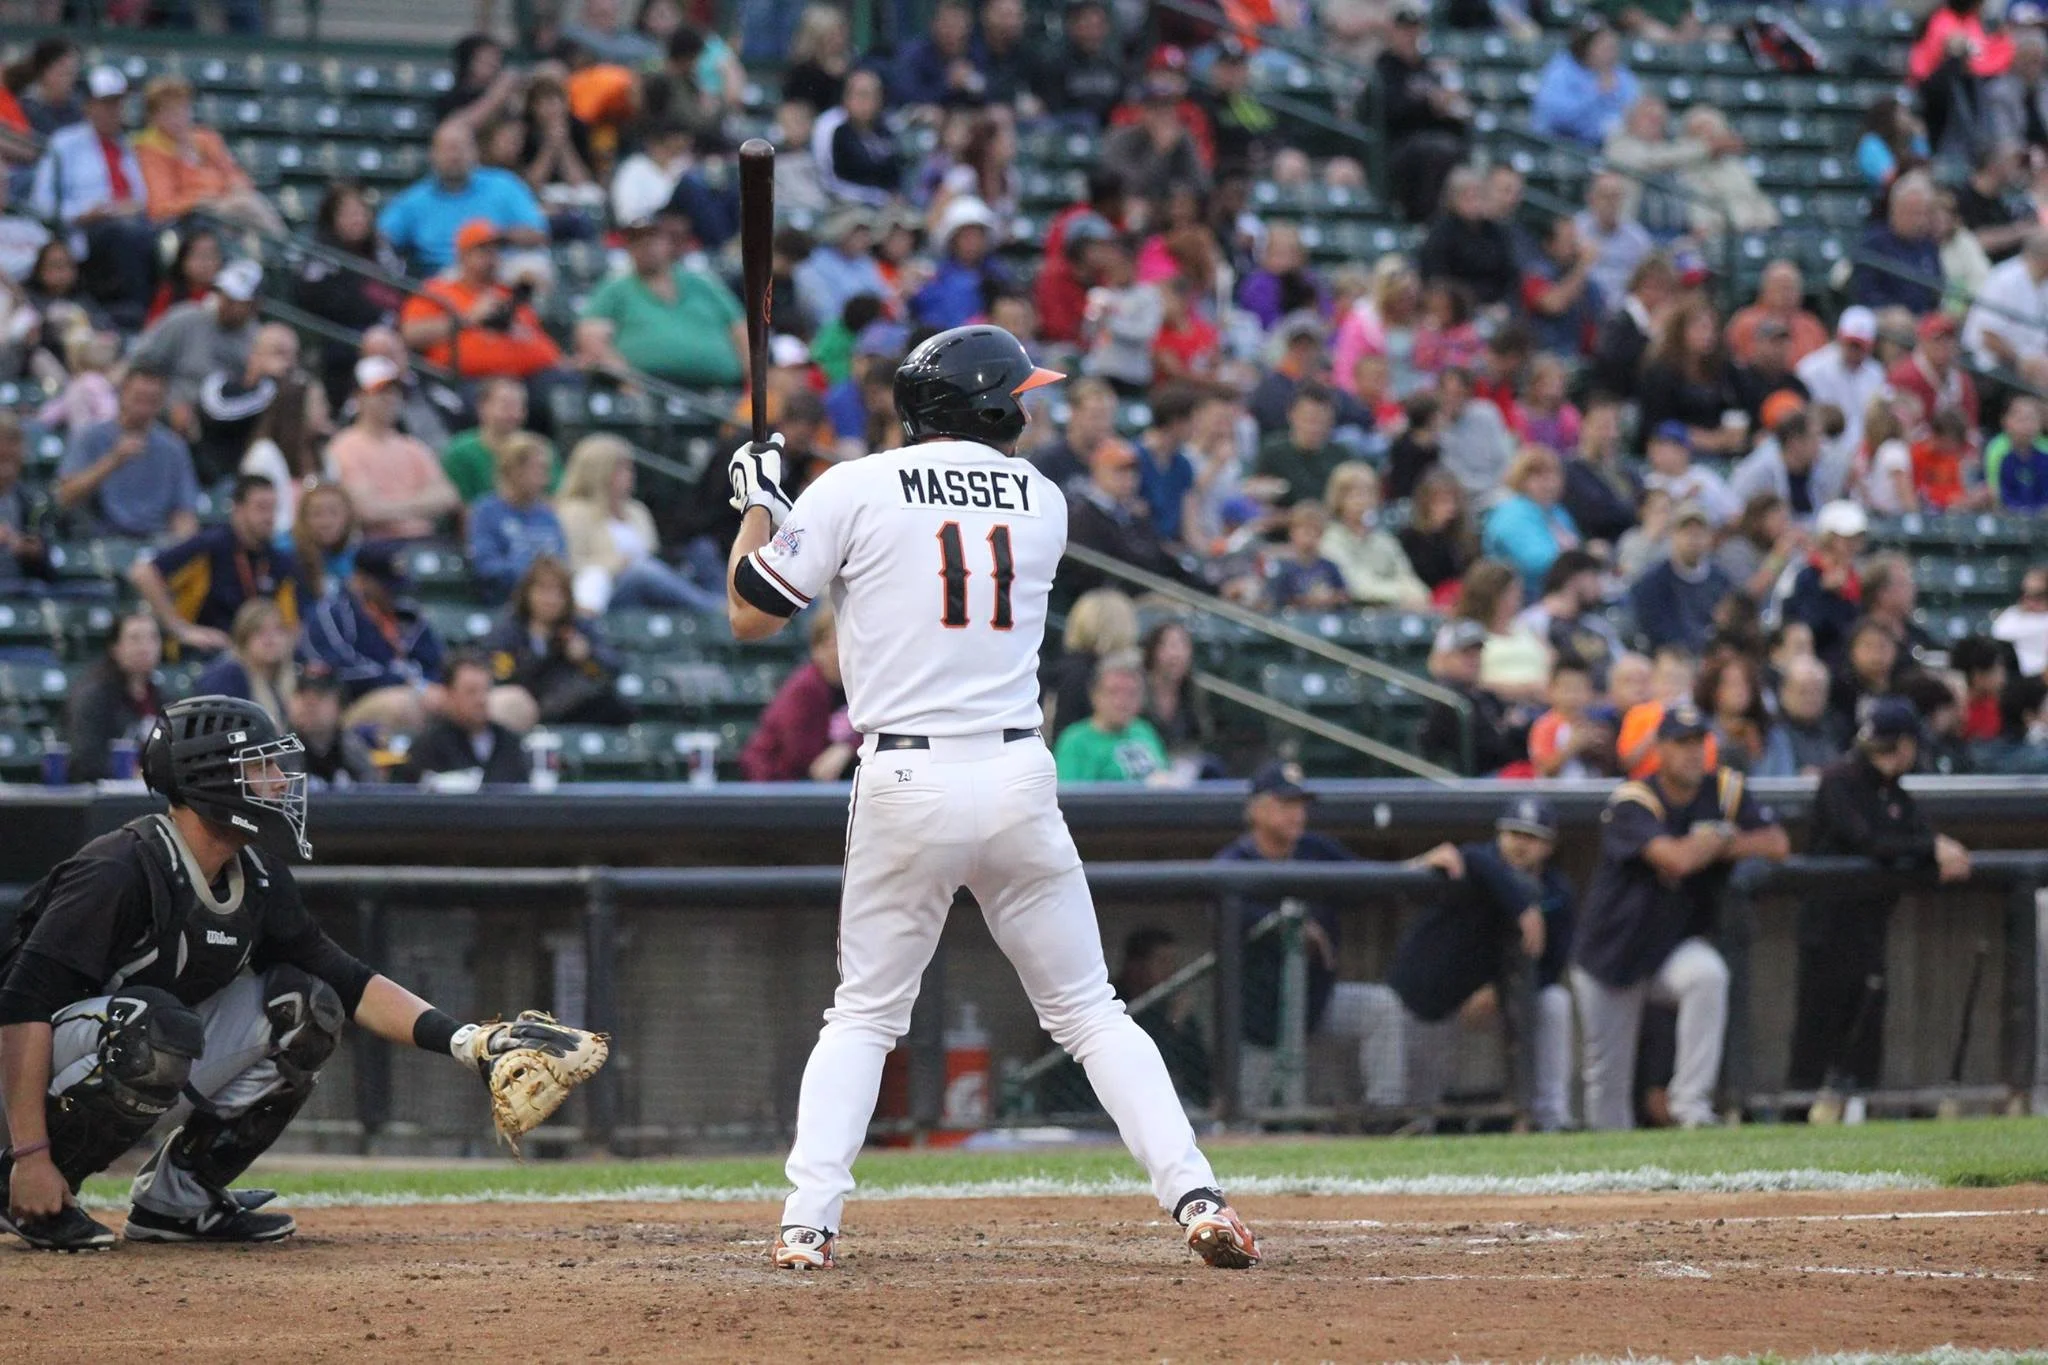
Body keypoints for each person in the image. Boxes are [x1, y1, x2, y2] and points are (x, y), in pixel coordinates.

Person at [724, 323, 1258, 1269]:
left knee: (863, 1016)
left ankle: (809, 1222)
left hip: (906, 776)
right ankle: (1196, 1193)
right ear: (986, 404)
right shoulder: (1043, 500)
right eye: (1018, 392)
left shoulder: (852, 483)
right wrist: (791, 500)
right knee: (1093, 1012)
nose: (1029, 404)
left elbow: (749, 613)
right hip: (1017, 774)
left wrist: (761, 506)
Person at [0, 694, 605, 1248]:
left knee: (305, 1006)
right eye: (260, 767)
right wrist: (30, 1152)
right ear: (210, 776)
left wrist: (470, 1041)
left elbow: (343, 976)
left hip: (105, 1048)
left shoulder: (255, 873)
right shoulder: (118, 867)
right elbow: (22, 1004)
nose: (279, 781)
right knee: (152, 1031)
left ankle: (177, 1203)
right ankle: (31, 1196)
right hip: (26, 1078)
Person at [1572, 705, 1789, 1130]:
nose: (1692, 753)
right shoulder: (1635, 799)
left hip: (1669, 947)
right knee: (1608, 1080)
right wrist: (1717, 838)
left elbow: (1776, 842)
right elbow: (1675, 861)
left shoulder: (1724, 788)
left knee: (1707, 975)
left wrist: (1718, 840)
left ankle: (1691, 1107)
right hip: (1612, 952)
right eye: (1681, 744)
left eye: (1698, 743)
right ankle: (1605, 1165)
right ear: (1660, 750)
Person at [1791, 698, 1972, 1098]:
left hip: (1869, 929)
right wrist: (1930, 847)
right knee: (1818, 1027)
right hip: (1828, 928)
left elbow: (1915, 836)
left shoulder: (1893, 791)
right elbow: (1868, 841)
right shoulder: (1840, 780)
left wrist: (1938, 847)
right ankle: (1797, 1112)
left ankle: (1860, 1107)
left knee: (1866, 1023)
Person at [1394, 798, 1577, 1131]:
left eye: (1532, 836)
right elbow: (1472, 858)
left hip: (1500, 998)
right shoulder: (1475, 866)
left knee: (1555, 1002)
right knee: (1419, 1095)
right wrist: (1523, 906)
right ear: (1499, 835)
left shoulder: (1556, 890)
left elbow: (1553, 963)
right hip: (1437, 997)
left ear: (1549, 846)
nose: (1521, 844)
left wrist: (1501, 990)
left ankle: (1551, 1117)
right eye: (1514, 833)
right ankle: (1415, 1124)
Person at [27, 66, 157, 328]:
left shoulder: (128, 146)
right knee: (122, 234)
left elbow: (143, 197)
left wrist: (134, 207)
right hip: (83, 233)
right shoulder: (64, 144)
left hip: (131, 227)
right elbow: (41, 204)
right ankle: (130, 315)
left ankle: (151, 314)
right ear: (88, 106)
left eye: (119, 103)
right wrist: (84, 213)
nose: (115, 110)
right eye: (107, 103)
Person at [127, 474, 301, 657]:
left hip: (255, 653)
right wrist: (181, 629)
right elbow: (143, 573)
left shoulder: (279, 561)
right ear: (238, 509)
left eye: (273, 509)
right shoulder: (210, 546)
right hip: (205, 649)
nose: (269, 517)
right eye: (261, 508)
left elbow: (290, 624)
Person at [295, 542, 447, 735]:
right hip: (352, 705)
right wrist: (410, 683)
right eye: (385, 586)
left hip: (416, 693)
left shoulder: (406, 611)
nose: (392, 592)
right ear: (360, 580)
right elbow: (342, 671)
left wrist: (434, 688)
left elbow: (433, 660)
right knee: (402, 703)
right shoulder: (331, 614)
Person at [579, 216, 746, 386]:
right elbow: (592, 338)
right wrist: (626, 381)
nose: (646, 247)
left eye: (653, 239)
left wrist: (754, 384)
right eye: (637, 241)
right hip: (650, 390)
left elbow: (740, 329)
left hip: (722, 390)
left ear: (668, 244)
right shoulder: (615, 288)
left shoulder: (702, 284)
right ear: (629, 248)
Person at [399, 220, 565, 388]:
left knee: (564, 384)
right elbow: (410, 335)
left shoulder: (507, 293)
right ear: (463, 256)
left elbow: (536, 338)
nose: (491, 257)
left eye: (495, 250)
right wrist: (468, 319)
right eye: (483, 250)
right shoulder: (439, 290)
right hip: (466, 383)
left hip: (524, 379)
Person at [377, 122, 548, 274]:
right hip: (443, 282)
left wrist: (495, 237)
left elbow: (538, 234)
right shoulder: (414, 201)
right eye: (447, 149)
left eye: (460, 147)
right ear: (432, 155)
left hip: (499, 274)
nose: (454, 156)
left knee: (533, 266)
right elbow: (381, 236)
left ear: (475, 152)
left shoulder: (504, 185)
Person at [482, 554, 627, 731]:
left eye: (559, 593)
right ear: (527, 593)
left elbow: (614, 665)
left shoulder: (578, 627)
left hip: (571, 709)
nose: (550, 600)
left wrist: (587, 656)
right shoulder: (508, 629)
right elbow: (496, 672)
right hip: (523, 708)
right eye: (543, 590)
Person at [54, 366, 199, 542]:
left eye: (152, 401)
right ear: (122, 394)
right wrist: (114, 460)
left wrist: (183, 545)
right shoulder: (90, 436)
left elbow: (184, 512)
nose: (144, 408)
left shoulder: (173, 447)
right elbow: (65, 496)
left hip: (156, 539)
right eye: (138, 399)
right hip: (100, 538)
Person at [326, 357, 461, 543]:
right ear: (359, 397)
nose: (390, 398)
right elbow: (366, 510)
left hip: (424, 541)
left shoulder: (412, 445)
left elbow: (448, 496)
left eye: (395, 392)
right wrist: (422, 505)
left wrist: (391, 507)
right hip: (375, 546)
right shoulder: (344, 446)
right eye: (380, 391)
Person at [131, 76, 282, 234]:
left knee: (246, 200)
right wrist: (199, 200)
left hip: (227, 205)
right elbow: (160, 208)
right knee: (244, 205)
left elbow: (233, 173)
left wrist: (237, 185)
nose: (179, 117)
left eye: (183, 108)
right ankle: (289, 253)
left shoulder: (205, 138)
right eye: (170, 111)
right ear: (154, 117)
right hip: (188, 219)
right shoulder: (150, 151)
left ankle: (285, 250)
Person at [128, 258, 265, 431]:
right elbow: (142, 362)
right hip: (161, 415)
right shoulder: (186, 318)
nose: (226, 304)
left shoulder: (259, 342)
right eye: (224, 294)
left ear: (255, 306)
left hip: (220, 427)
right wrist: (166, 403)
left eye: (236, 300)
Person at [738, 608, 852, 782]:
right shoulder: (806, 688)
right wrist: (848, 748)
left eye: (850, 644)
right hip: (773, 785)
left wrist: (847, 748)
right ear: (817, 650)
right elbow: (809, 764)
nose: (843, 653)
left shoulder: (853, 685)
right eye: (835, 645)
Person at [62, 610, 164, 785]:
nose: (145, 647)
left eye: (152, 638)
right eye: (135, 639)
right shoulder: (93, 696)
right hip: (103, 798)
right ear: (115, 648)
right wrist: (137, 774)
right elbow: (87, 758)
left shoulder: (161, 696)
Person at [1638, 297, 1745, 460]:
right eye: (1701, 328)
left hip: (1720, 447)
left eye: (1711, 329)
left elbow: (1736, 406)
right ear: (1680, 331)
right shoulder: (1660, 371)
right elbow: (1656, 424)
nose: (1707, 335)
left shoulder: (1722, 367)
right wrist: (1708, 440)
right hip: (1674, 450)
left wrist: (1733, 432)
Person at [468, 433, 568, 603]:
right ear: (514, 470)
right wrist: (531, 574)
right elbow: (486, 567)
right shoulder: (486, 512)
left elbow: (562, 562)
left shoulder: (547, 515)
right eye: (538, 470)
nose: (546, 480)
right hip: (506, 603)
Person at [1627, 502, 1734, 653]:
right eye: (1686, 532)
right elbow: (1657, 633)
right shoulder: (1651, 584)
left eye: (1699, 532)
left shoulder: (1722, 581)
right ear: (1672, 535)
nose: (1693, 539)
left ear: (1709, 537)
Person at [1421, 618, 1522, 775]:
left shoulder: (1485, 695)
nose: (1474, 659)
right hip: (1472, 783)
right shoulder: (1444, 698)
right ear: (1445, 657)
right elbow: (1482, 749)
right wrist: (1509, 730)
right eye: (1465, 653)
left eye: (1478, 652)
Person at [408, 654, 529, 785]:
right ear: (449, 694)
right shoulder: (427, 748)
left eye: (486, 690)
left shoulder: (509, 743)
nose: (481, 700)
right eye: (471, 692)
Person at [1052, 650, 1171, 783]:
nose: (1122, 701)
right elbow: (1072, 797)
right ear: (1095, 695)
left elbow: (1166, 773)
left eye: (1131, 693)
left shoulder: (1144, 730)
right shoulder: (1075, 742)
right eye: (1113, 692)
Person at [1321, 463, 1429, 609]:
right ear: (1339, 499)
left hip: (1393, 611)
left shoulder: (1384, 540)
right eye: (1355, 494)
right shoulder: (1329, 540)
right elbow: (1356, 587)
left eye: (1369, 493)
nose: (1363, 501)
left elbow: (1409, 578)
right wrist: (1401, 594)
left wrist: (1416, 594)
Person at [1483, 447, 1581, 596]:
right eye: (1538, 476)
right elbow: (1536, 564)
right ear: (1520, 480)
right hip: (1520, 599)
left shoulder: (1556, 512)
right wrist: (1582, 561)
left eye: (1553, 475)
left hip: (1559, 595)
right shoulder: (1511, 514)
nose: (1549, 483)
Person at [1418, 168, 1519, 308]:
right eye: (1467, 196)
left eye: (1478, 195)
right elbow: (1436, 280)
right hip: (1455, 309)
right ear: (1453, 199)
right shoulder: (1440, 234)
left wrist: (1503, 305)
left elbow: (1509, 276)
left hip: (1495, 308)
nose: (1474, 202)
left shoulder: (1495, 232)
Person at [1782, 500, 1870, 662]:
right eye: (1844, 538)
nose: (1851, 545)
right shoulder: (1803, 574)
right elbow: (1799, 625)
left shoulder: (1858, 577)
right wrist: (1823, 591)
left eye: (1856, 538)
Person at [1532, 21, 1639, 148]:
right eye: (1605, 48)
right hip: (1561, 146)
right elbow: (1556, 118)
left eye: (1613, 48)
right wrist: (1594, 94)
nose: (1611, 53)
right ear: (1586, 48)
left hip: (1607, 145)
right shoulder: (1560, 72)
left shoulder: (1620, 74)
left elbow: (1633, 107)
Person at [194, 600, 297, 732]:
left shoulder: (292, 677)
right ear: (243, 639)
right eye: (259, 632)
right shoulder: (227, 678)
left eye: (278, 630)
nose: (271, 639)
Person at [1796, 308, 1889, 454]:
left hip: (1864, 451)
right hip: (1822, 449)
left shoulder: (1875, 372)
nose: (1854, 350)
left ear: (1871, 346)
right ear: (1839, 337)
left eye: (1859, 346)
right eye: (1850, 344)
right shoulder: (1811, 369)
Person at [1962, 232, 2048, 389]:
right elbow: (1988, 336)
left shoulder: (2044, 284)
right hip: (1990, 363)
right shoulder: (2005, 279)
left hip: (2033, 363)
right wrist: (2021, 360)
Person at [441, 378, 546, 506]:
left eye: (519, 406)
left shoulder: (539, 448)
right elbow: (462, 507)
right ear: (482, 407)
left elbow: (556, 496)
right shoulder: (460, 452)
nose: (513, 413)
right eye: (506, 406)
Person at [1850, 175, 1944, 316]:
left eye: (1925, 214)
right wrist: (1891, 311)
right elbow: (1865, 294)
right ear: (1895, 210)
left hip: (1924, 320)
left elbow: (1936, 290)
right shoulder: (1873, 244)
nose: (1921, 221)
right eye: (1915, 213)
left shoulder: (1928, 245)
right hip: (1886, 319)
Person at [812, 69, 901, 207]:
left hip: (883, 205)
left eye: (875, 95)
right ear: (846, 96)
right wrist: (876, 197)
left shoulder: (886, 127)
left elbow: (894, 175)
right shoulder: (830, 125)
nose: (869, 101)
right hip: (841, 204)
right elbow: (827, 180)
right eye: (862, 95)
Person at [1726, 261, 1828, 367]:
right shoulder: (1744, 323)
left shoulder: (1811, 326)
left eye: (1791, 288)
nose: (1786, 294)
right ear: (1765, 289)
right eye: (1781, 287)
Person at [288, 672, 380, 789]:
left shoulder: (355, 750)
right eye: (301, 693)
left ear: (341, 707)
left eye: (320, 695)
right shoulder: (279, 753)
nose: (309, 702)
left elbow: (372, 796)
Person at [1267, 502, 1349, 611]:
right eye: (1305, 531)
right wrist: (1309, 600)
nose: (1310, 536)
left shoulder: (1329, 566)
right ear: (1292, 532)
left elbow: (1344, 596)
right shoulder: (1281, 567)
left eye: (1316, 531)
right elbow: (1276, 601)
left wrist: (1331, 598)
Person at [1989, 397, 2048, 511]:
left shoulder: (2044, 454)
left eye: (2032, 419)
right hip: (2010, 514)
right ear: (2005, 421)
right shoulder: (1998, 451)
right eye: (2021, 419)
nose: (2027, 426)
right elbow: (1996, 491)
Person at [1993, 565, 2048, 676]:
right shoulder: (2013, 613)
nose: (2028, 600)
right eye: (2025, 593)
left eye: (2037, 595)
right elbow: (1998, 632)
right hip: (2014, 679)